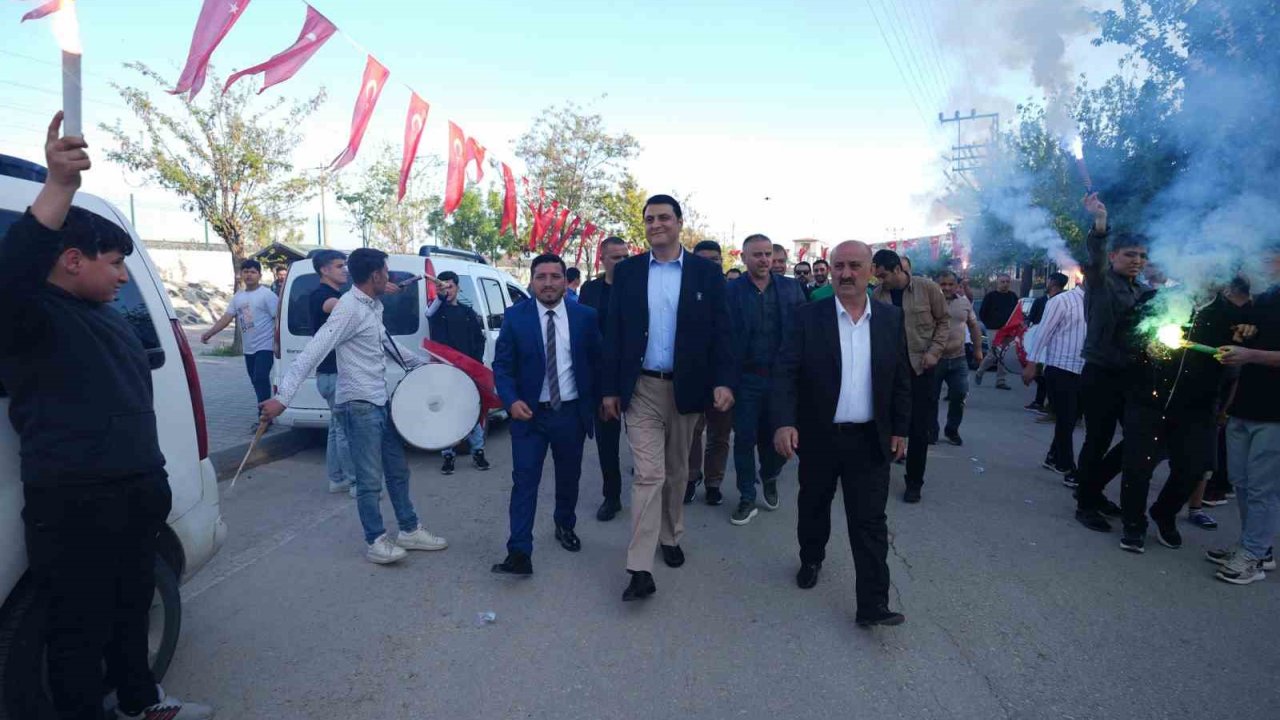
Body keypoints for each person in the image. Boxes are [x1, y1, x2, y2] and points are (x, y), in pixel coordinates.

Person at [0, 114, 214, 720]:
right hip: (75, 500)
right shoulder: (29, 317)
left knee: (130, 609)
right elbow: (12, 271)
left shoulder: (106, 315)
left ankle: (141, 703)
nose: (124, 277)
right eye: (116, 263)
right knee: (77, 628)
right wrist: (58, 187)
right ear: (72, 259)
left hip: (135, 489)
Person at [262, 248, 448, 565]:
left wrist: (429, 366)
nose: (389, 278)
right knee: (369, 480)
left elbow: (389, 346)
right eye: (386, 272)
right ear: (375, 276)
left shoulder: (371, 306)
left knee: (397, 470)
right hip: (358, 406)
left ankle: (409, 529)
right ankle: (376, 540)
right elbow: (313, 351)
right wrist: (283, 397)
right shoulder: (348, 308)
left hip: (380, 401)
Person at [601, 194, 734, 602]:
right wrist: (610, 389)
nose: (656, 224)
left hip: (686, 388)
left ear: (679, 223)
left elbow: (723, 332)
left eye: (663, 217)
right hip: (641, 388)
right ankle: (640, 567)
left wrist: (723, 381)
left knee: (677, 472)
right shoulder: (628, 272)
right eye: (649, 219)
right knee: (648, 475)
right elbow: (614, 332)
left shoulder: (705, 273)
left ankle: (670, 535)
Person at [772, 240, 910, 627]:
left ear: (871, 271)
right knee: (814, 505)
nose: (846, 274)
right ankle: (811, 557)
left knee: (870, 522)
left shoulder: (889, 319)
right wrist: (784, 422)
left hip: (869, 439)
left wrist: (900, 429)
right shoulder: (807, 317)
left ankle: (873, 604)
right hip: (819, 436)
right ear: (830, 270)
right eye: (839, 266)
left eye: (855, 266)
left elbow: (900, 377)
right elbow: (785, 373)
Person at [491, 254, 602, 575]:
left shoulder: (585, 317)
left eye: (555, 276)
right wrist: (510, 400)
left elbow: (598, 360)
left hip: (570, 413)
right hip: (529, 416)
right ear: (531, 281)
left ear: (565, 281)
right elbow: (502, 365)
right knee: (524, 481)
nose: (549, 283)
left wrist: (601, 399)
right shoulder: (516, 317)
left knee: (568, 477)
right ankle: (519, 551)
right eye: (541, 277)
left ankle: (565, 524)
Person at [1073, 193, 1156, 542]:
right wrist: (1100, 223)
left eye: (1142, 256)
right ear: (1113, 256)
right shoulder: (1100, 282)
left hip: (1134, 375)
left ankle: (1091, 488)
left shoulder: (1144, 291)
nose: (1137, 261)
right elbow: (1094, 256)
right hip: (1101, 373)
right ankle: (1086, 504)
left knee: (1138, 441)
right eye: (1130, 254)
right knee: (1098, 439)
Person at [724, 234, 806, 525]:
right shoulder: (731, 292)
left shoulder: (791, 288)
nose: (764, 259)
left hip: (782, 381)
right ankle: (747, 496)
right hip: (746, 380)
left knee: (780, 442)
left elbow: (803, 332)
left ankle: (770, 475)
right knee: (744, 440)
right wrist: (723, 382)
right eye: (757, 254)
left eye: (768, 254)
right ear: (744, 258)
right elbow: (722, 338)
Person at [1211, 260, 1280, 584]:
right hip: (1245, 406)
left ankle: (1253, 555)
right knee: (1241, 481)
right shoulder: (1262, 300)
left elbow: (1253, 354)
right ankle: (1256, 547)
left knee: (1262, 489)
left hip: (1275, 414)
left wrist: (1249, 355)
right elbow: (1248, 343)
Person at [872, 249, 948, 503]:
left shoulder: (927, 288)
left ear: (898, 270)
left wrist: (934, 352)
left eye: (883, 275)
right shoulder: (878, 295)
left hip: (921, 368)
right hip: (889, 371)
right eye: (877, 276)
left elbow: (943, 321)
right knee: (884, 423)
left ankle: (914, 482)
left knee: (918, 428)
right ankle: (878, 475)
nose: (880, 280)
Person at [579, 236, 631, 520]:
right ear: (603, 260)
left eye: (625, 257)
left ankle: (653, 494)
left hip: (636, 376)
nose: (621, 262)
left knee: (644, 441)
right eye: (615, 257)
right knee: (607, 444)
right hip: (602, 379)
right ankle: (612, 497)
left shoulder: (639, 288)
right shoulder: (590, 290)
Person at [426, 270, 491, 474]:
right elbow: (429, 313)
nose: (447, 290)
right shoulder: (436, 311)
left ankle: (478, 451)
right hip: (445, 372)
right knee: (446, 412)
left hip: (468, 371)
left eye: (450, 286)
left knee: (471, 410)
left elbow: (479, 340)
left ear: (458, 287)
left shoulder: (468, 312)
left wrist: (475, 363)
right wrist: (439, 296)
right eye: (442, 286)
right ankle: (448, 455)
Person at [1021, 274, 1086, 477]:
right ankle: (1065, 464)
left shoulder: (1101, 302)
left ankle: (1052, 456)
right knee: (1066, 418)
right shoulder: (1062, 301)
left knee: (1072, 418)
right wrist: (1032, 363)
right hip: (1060, 367)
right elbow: (1043, 332)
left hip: (1086, 369)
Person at [686, 240, 734, 506]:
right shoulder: (683, 290)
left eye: (714, 260)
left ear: (721, 262)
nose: (709, 265)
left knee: (719, 435)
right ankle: (691, 477)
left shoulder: (733, 292)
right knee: (691, 433)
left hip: (724, 378)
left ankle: (714, 482)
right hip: (693, 376)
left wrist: (729, 380)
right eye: (702, 260)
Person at [201, 258, 279, 422]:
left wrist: (277, 343)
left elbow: (278, 319)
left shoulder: (267, 295)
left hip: (266, 346)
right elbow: (227, 317)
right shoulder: (238, 297)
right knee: (255, 381)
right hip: (249, 348)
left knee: (260, 378)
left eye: (253, 272)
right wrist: (210, 333)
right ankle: (266, 410)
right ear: (241, 274)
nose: (249, 275)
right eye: (246, 272)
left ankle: (264, 418)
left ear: (259, 275)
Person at [310, 249, 357, 495]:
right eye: (340, 266)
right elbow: (344, 310)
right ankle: (356, 482)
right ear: (324, 270)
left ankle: (337, 479)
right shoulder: (324, 296)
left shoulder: (333, 294)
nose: (345, 270)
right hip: (334, 374)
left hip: (329, 374)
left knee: (337, 428)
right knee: (346, 431)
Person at [932, 270, 982, 446]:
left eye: (950, 284)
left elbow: (974, 326)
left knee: (960, 394)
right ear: (936, 285)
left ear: (956, 285)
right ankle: (931, 431)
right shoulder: (929, 302)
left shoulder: (964, 303)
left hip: (958, 359)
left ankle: (952, 430)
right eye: (942, 284)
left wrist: (978, 350)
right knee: (931, 398)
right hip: (934, 359)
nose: (946, 287)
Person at [1023, 277, 1062, 412]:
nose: (1047, 283)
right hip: (1040, 341)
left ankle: (1051, 406)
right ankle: (1040, 402)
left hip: (1054, 344)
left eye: (1049, 281)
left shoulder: (1061, 301)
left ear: (1053, 283)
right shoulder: (1040, 301)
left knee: (1050, 375)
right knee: (1041, 375)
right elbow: (1031, 318)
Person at [976, 274, 1019, 390]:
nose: (1005, 284)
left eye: (1007, 282)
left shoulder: (1013, 296)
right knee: (994, 353)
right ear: (997, 283)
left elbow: (1017, 312)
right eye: (1002, 282)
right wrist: (990, 323)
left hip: (1009, 329)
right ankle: (980, 371)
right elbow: (982, 313)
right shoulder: (990, 296)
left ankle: (1001, 381)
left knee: (1004, 355)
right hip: (993, 330)